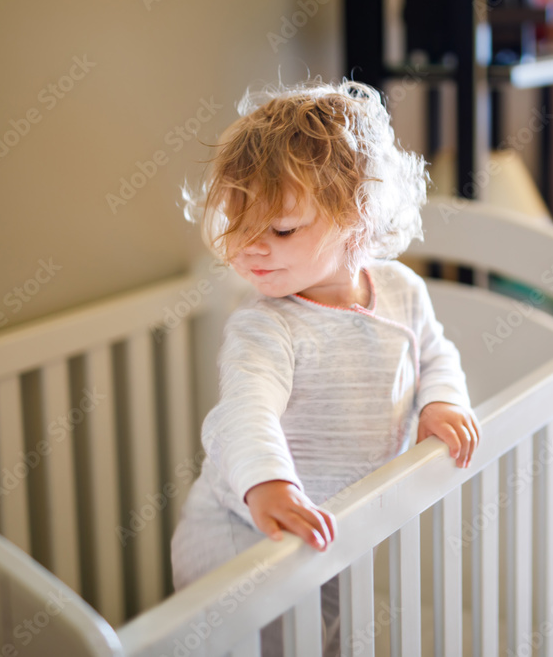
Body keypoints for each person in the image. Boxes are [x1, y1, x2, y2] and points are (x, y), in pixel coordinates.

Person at [170, 79, 480, 654]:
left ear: (359, 218)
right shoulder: (266, 325)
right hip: (242, 530)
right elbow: (245, 412)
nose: (250, 247)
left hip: (329, 524)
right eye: (238, 224)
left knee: (324, 636)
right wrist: (270, 484)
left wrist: (442, 402)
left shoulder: (402, 291)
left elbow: (435, 353)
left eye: (281, 229)